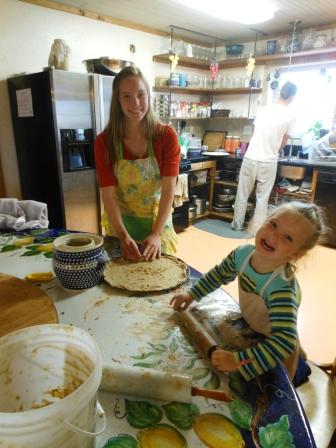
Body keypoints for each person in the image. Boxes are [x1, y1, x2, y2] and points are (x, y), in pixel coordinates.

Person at [171, 201, 328, 382]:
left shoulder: (282, 290)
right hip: (253, 328)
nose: (273, 236)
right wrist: (192, 294)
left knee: (278, 382)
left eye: (288, 237)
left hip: (276, 343)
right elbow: (218, 275)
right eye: (273, 224)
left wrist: (238, 361)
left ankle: (301, 365)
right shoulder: (242, 254)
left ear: (295, 254)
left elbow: (283, 342)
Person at [94, 66, 180, 261]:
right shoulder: (104, 143)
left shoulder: (165, 136)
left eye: (141, 95)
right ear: (117, 101)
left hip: (157, 227)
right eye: (126, 96)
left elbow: (168, 191)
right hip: (119, 230)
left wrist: (156, 234)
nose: (136, 103)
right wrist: (123, 236)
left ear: (148, 96)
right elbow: (107, 195)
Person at [232, 81, 298, 235]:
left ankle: (236, 225)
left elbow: (258, 133)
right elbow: (283, 142)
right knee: (262, 198)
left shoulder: (263, 110)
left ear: (280, 92)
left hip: (250, 157)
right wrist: (275, 148)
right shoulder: (291, 116)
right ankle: (255, 230)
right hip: (268, 161)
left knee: (242, 193)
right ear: (292, 96)